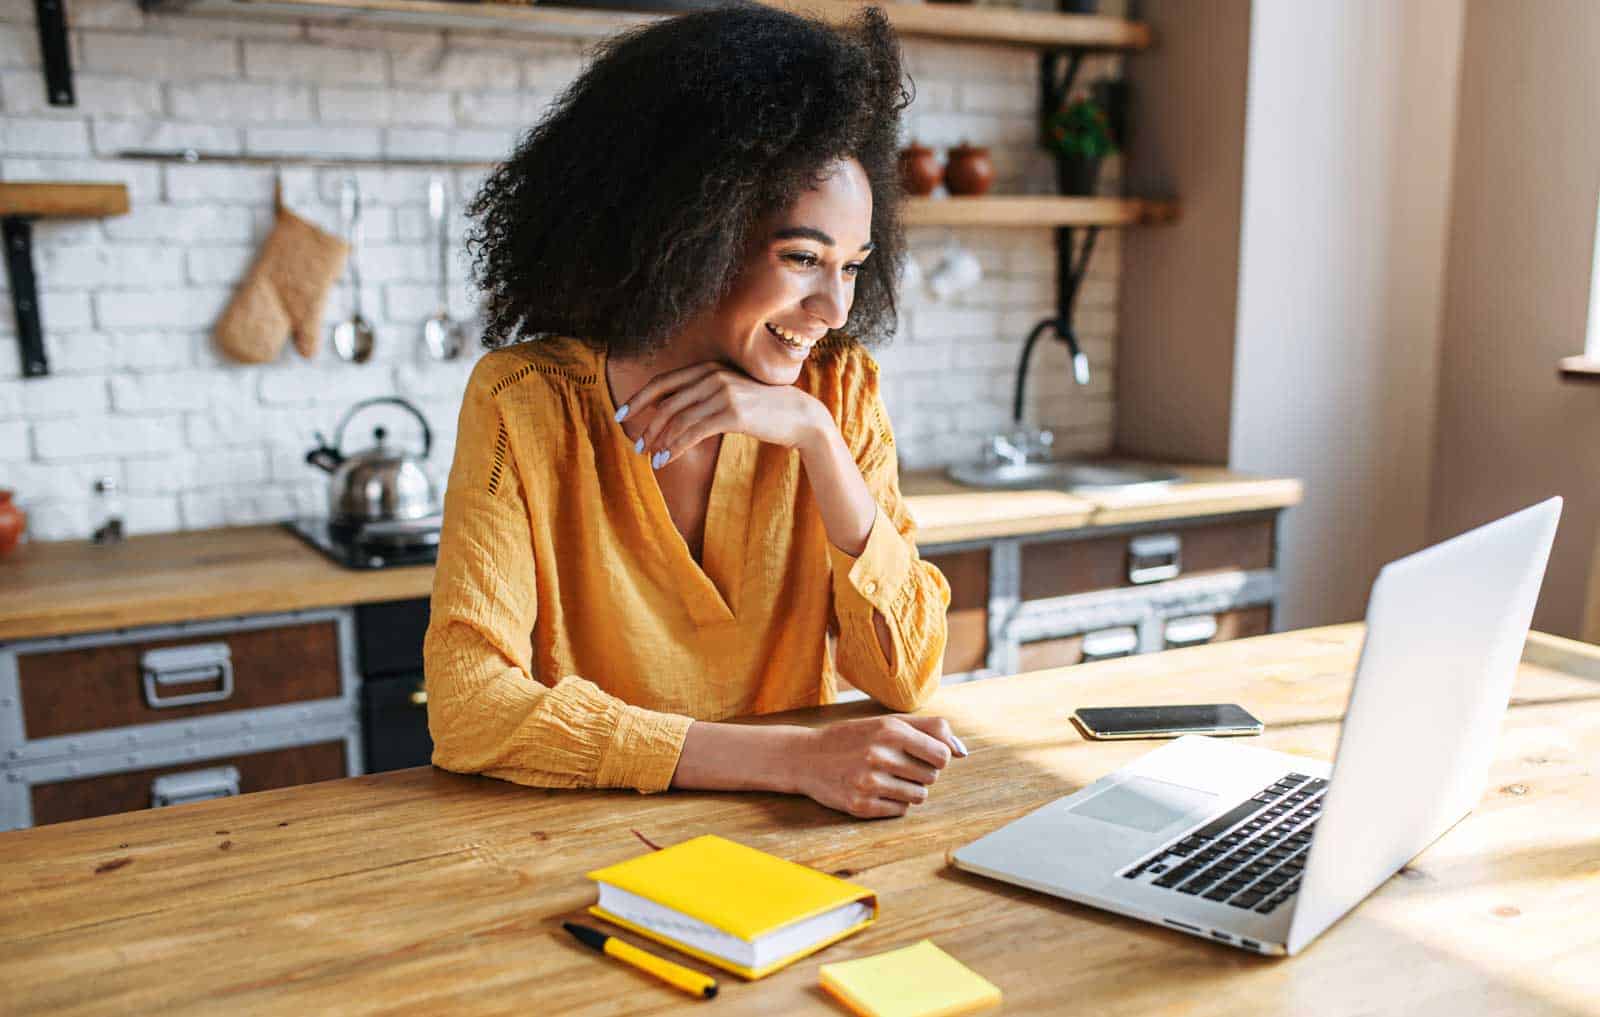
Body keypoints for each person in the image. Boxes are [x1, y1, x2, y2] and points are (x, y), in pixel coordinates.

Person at [423, 2, 964, 820]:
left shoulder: (837, 392)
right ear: (689, 229)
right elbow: (469, 709)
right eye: (802, 257)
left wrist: (817, 439)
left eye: (853, 266)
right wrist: (792, 759)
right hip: (587, 844)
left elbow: (908, 673)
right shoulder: (524, 404)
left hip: (798, 841)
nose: (833, 307)